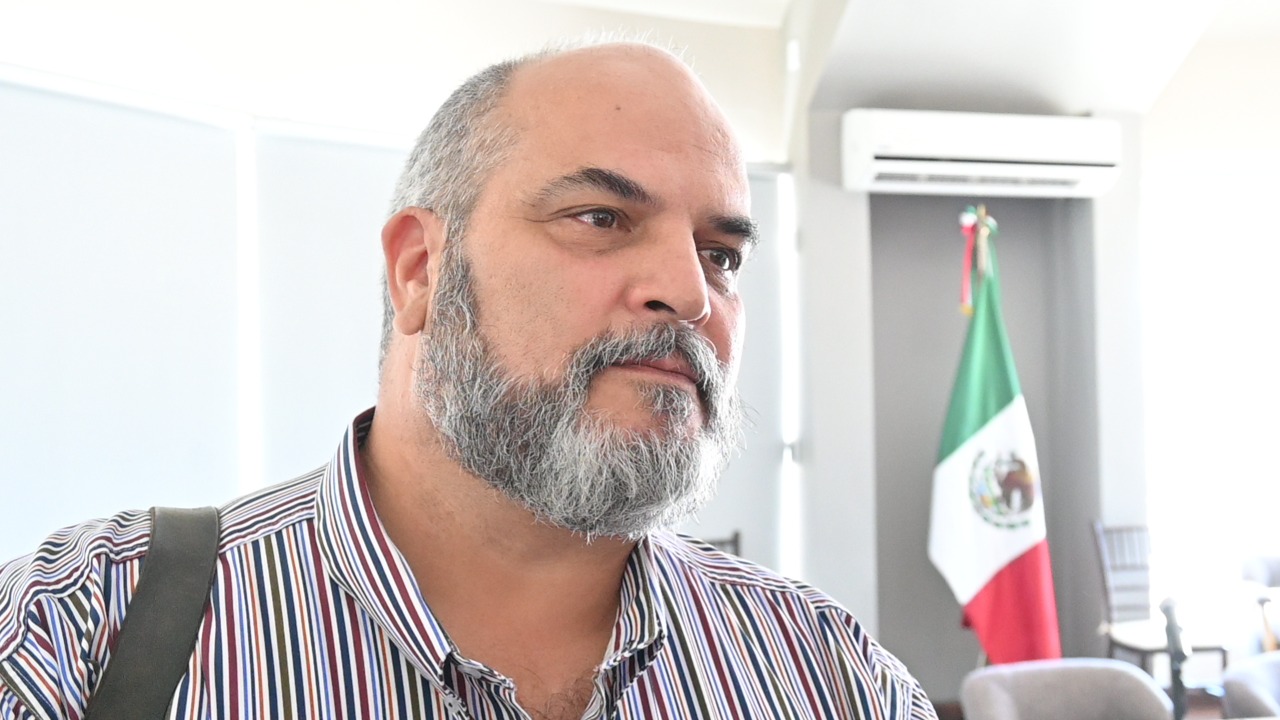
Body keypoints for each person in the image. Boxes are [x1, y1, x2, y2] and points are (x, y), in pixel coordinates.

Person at [0, 41, 936, 719]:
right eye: (600, 218)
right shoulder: (81, 634)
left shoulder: (830, 677)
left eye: (721, 254)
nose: (690, 293)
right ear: (420, 270)